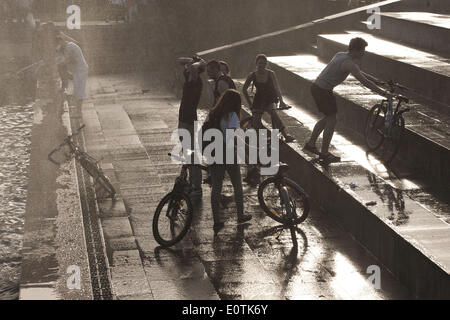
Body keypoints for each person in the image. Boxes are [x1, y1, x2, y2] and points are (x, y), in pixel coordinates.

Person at [303, 37, 393, 163]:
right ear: (356, 50)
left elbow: (360, 73)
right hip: (322, 90)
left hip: (319, 88)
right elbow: (363, 81)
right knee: (332, 120)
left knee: (328, 119)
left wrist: (377, 81)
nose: (364, 53)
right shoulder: (348, 63)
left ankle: (311, 144)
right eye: (362, 50)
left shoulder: (341, 55)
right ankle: (324, 153)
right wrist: (384, 93)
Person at [205, 89, 252, 233]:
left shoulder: (212, 114)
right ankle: (240, 215)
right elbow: (232, 138)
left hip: (213, 151)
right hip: (227, 152)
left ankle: (217, 221)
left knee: (216, 187)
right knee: (237, 184)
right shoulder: (231, 115)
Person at [242, 54, 294, 143]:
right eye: (259, 63)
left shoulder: (271, 74)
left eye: (263, 63)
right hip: (259, 98)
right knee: (256, 122)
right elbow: (244, 90)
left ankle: (285, 135)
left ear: (266, 64)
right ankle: (257, 139)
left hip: (271, 98)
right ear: (256, 64)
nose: (261, 65)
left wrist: (281, 101)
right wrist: (250, 103)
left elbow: (277, 88)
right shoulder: (252, 75)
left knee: (273, 113)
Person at [177, 55, 206, 202]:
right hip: (184, 119)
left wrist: (198, 62)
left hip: (187, 120)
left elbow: (194, 67)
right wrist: (193, 60)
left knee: (192, 154)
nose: (188, 69)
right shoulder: (190, 79)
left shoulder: (196, 82)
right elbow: (181, 61)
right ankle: (191, 183)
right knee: (188, 152)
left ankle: (196, 187)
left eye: (191, 68)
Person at [55, 35, 89, 108]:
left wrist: (59, 63)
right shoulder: (67, 46)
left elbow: (71, 59)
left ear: (61, 41)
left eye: (59, 44)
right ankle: (78, 108)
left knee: (79, 90)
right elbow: (64, 57)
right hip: (78, 70)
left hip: (81, 70)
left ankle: (79, 110)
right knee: (77, 90)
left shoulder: (70, 47)